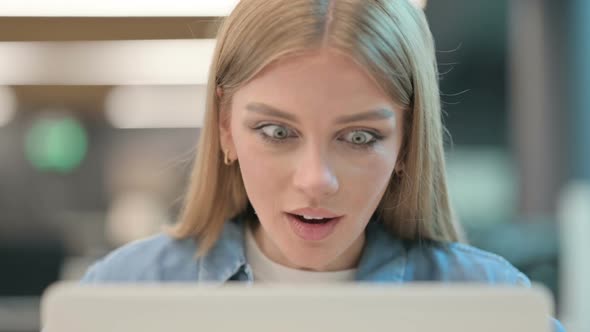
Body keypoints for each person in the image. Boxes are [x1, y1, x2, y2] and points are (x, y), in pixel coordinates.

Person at [81, 0, 564, 330]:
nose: (316, 180)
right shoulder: (126, 291)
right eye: (276, 132)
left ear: (407, 142)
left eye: (359, 137)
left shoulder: (489, 305)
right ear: (226, 126)